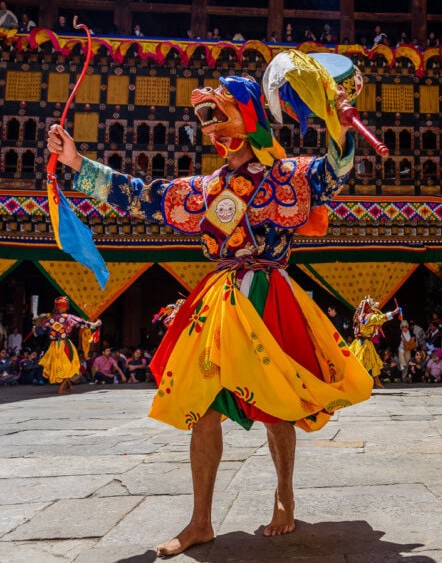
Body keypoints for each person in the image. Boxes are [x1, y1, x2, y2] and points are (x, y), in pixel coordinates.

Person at [48, 71, 373, 555]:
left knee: (277, 406)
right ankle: (200, 520)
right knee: (201, 405)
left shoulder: (287, 177)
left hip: (268, 292)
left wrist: (339, 128)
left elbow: (333, 173)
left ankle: (284, 497)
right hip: (219, 298)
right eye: (205, 117)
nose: (209, 126)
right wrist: (75, 161)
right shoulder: (201, 188)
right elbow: (141, 194)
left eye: (218, 113)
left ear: (249, 118)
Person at [34, 296, 101, 394]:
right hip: (65, 345)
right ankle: (61, 389)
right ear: (65, 307)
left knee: (59, 366)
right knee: (69, 365)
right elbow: (83, 324)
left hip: (53, 346)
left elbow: (39, 332)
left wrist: (35, 327)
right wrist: (95, 324)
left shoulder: (49, 319)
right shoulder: (69, 318)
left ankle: (67, 385)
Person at [349, 296, 400, 388]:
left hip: (358, 342)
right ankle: (362, 383)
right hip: (364, 344)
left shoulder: (359, 315)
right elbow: (381, 318)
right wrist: (394, 312)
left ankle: (374, 381)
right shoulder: (370, 316)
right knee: (366, 362)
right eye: (373, 305)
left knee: (371, 362)